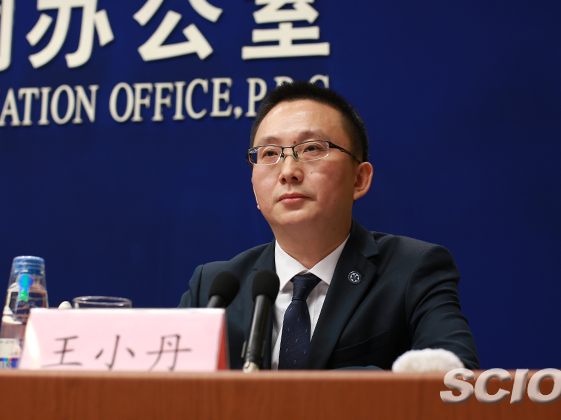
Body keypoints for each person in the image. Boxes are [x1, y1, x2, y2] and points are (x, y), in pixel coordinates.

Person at [179, 81, 479, 370]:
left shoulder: (412, 270)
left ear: (359, 179)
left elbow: (456, 378)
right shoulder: (214, 289)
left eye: (311, 148)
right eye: (269, 153)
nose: (288, 171)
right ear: (255, 188)